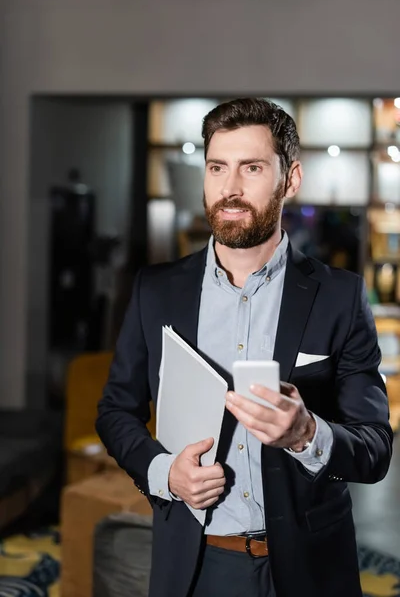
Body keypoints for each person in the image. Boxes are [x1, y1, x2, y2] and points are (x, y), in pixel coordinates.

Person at [96, 98, 393, 597]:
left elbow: (375, 449)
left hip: (309, 569)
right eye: (217, 168)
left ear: (289, 179)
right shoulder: (156, 289)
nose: (229, 189)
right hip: (195, 566)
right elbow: (115, 411)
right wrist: (164, 472)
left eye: (251, 168)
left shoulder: (340, 296)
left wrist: (306, 433)